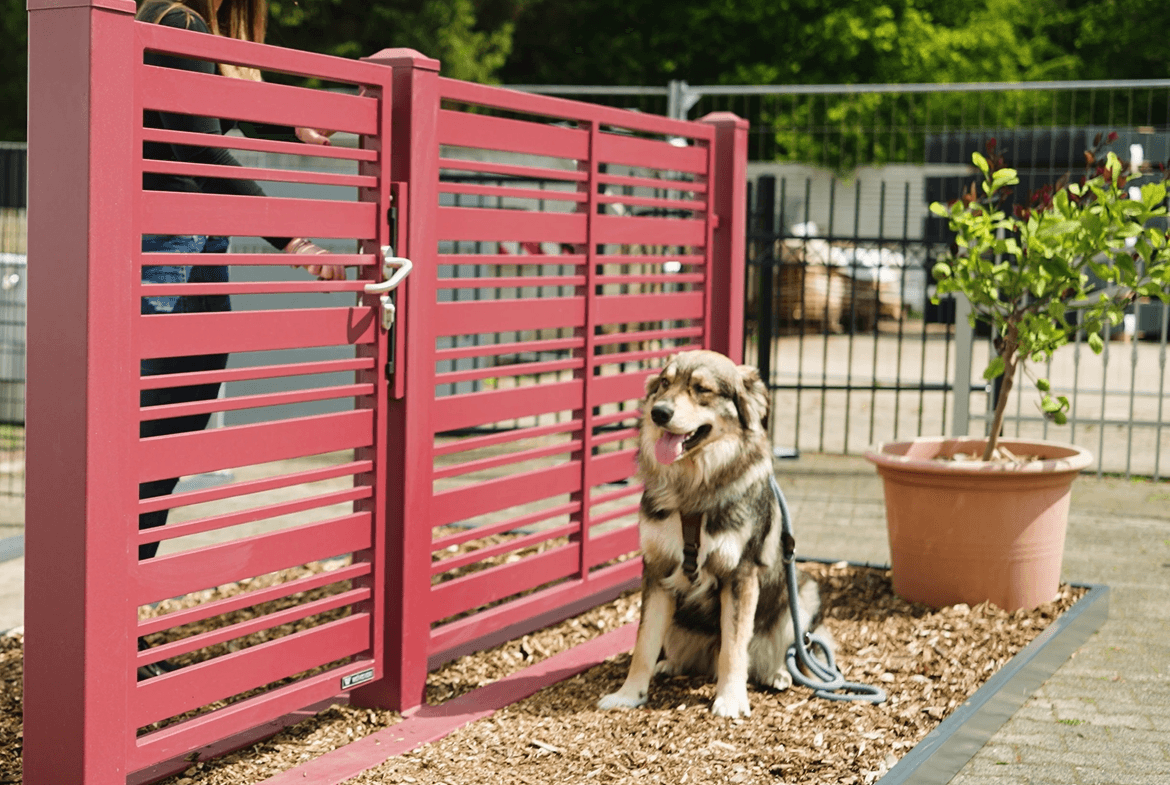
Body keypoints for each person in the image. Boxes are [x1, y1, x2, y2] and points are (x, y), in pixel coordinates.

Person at [135, 0, 345, 677]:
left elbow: (235, 105)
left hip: (195, 244)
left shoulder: (206, 33)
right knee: (146, 444)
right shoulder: (173, 23)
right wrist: (291, 235)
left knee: (165, 443)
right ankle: (106, 617)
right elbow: (203, 148)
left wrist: (302, 122)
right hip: (168, 242)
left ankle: (117, 612)